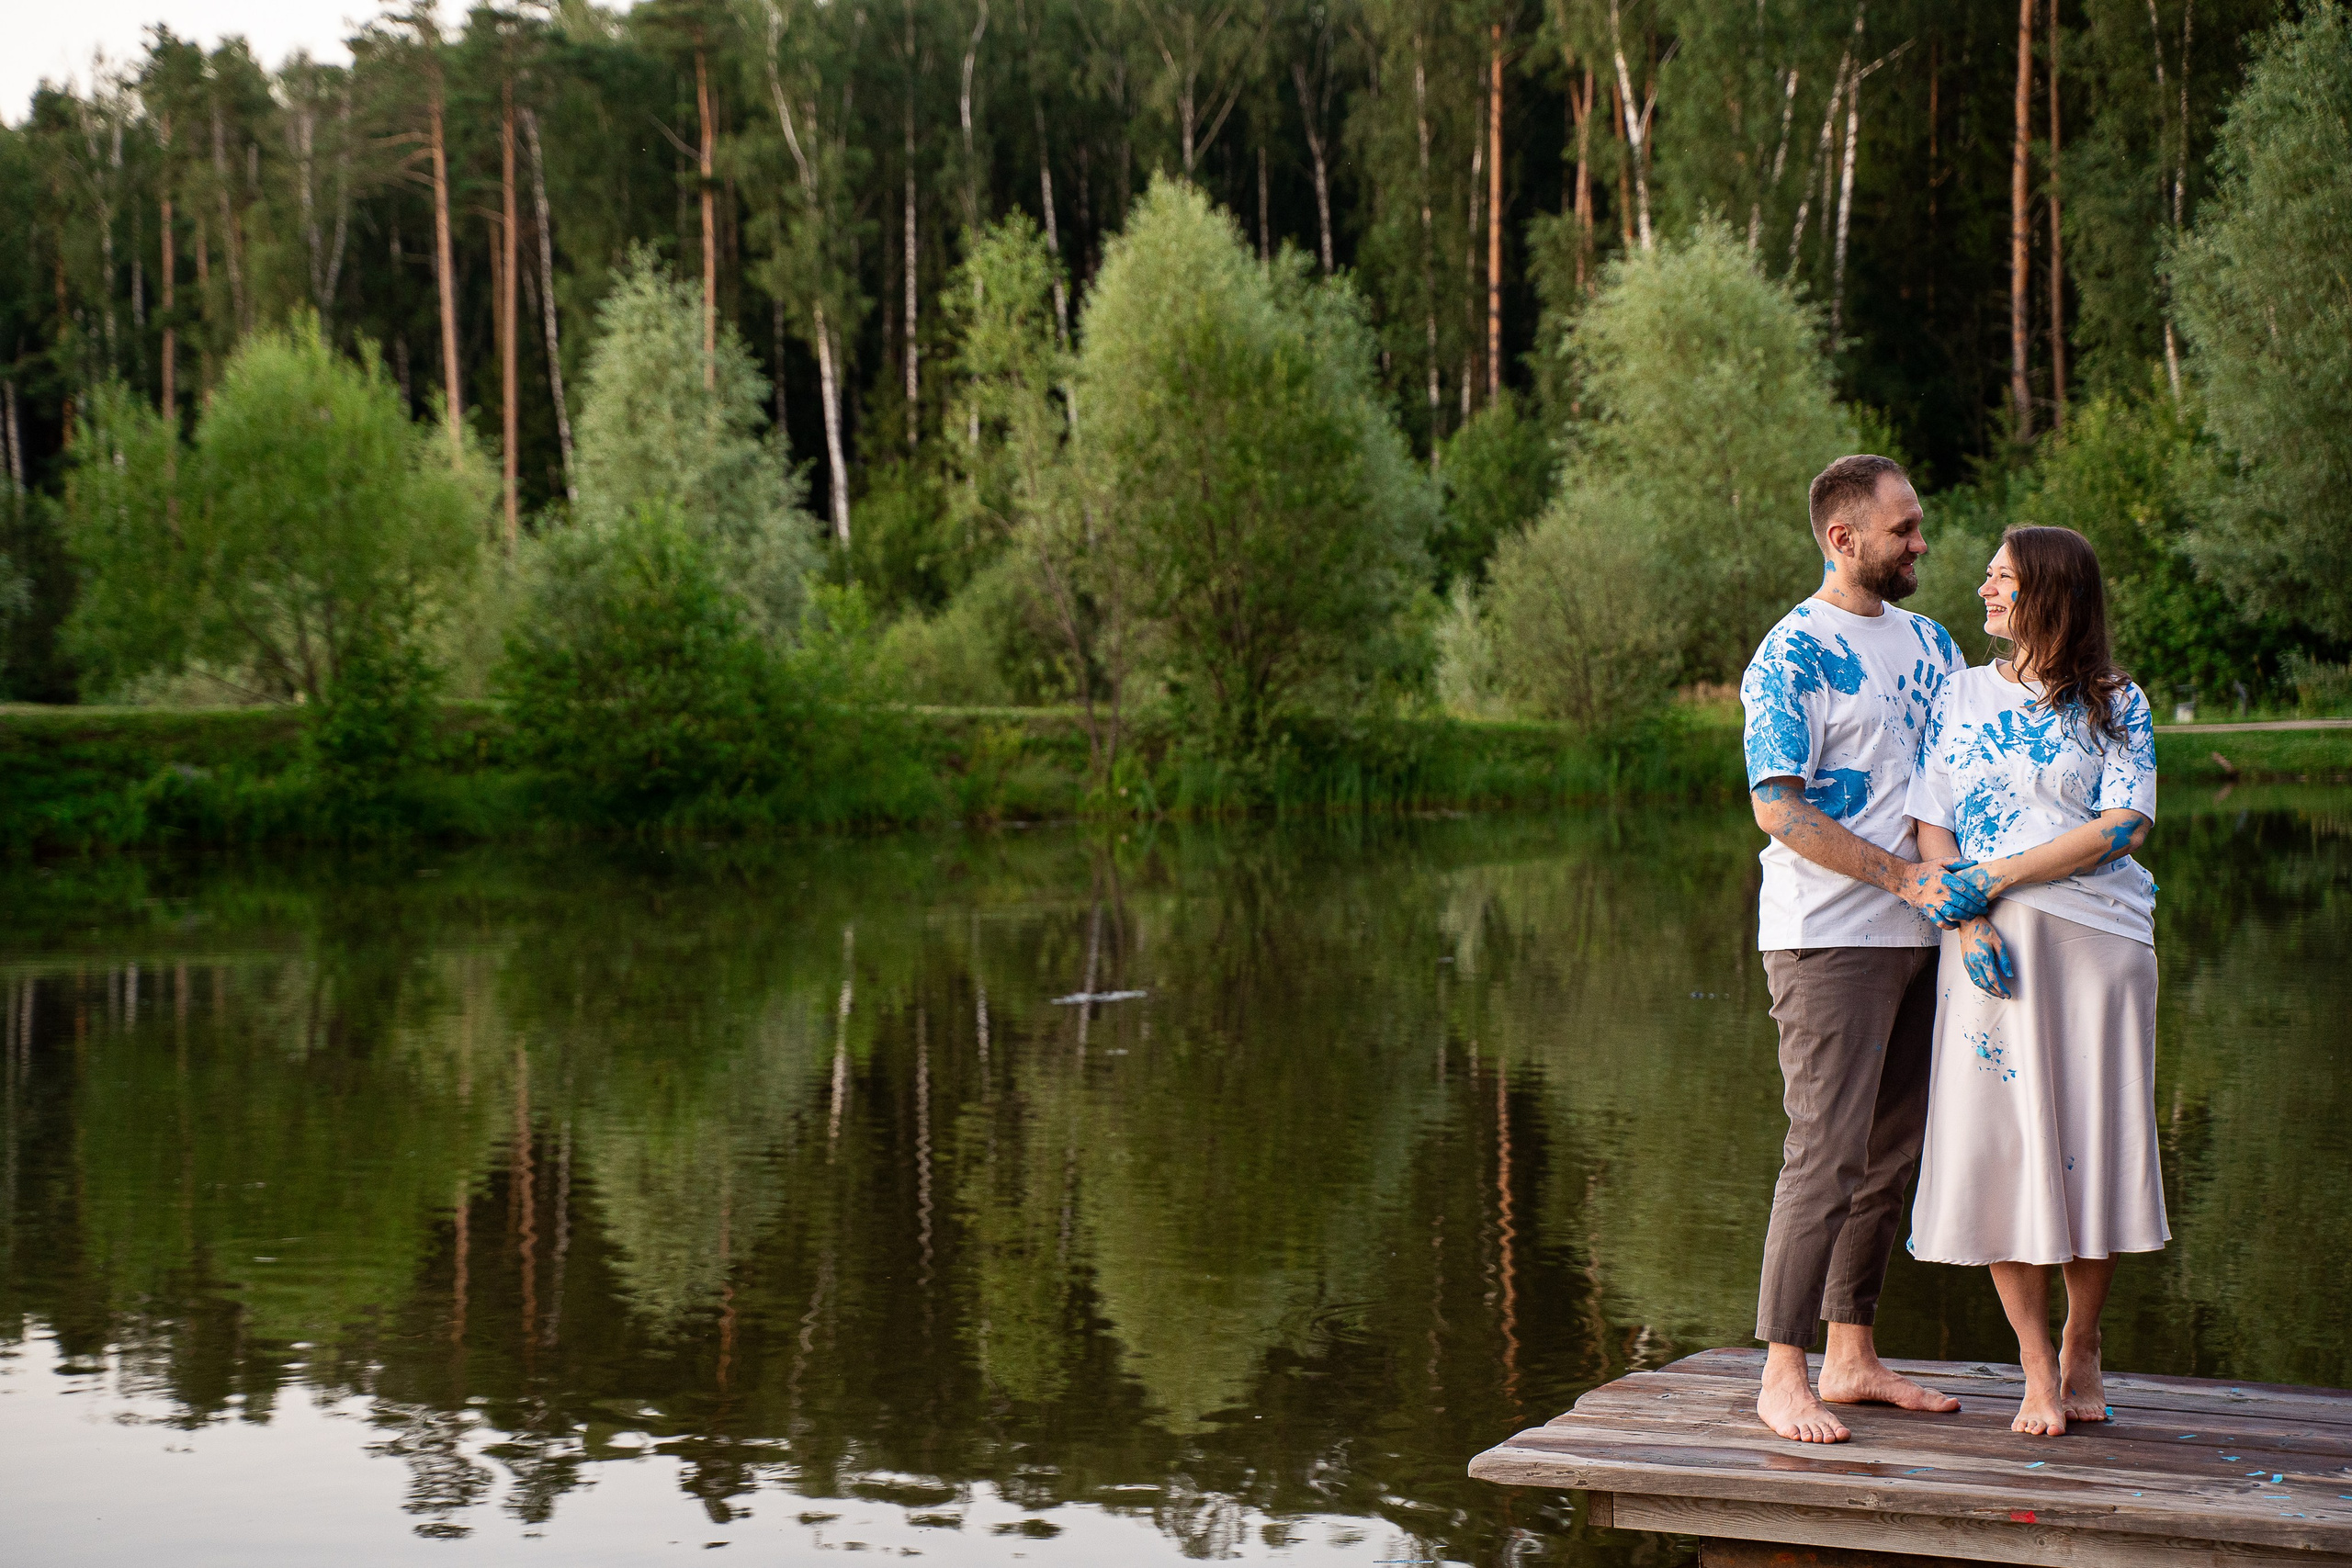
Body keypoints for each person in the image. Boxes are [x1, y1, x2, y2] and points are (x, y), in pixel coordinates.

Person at [1739, 455, 1984, 1445]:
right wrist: (1898, 879)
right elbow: (1777, 810)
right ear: (1843, 540)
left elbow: (1973, 767)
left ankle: (1849, 1356)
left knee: (1891, 1157)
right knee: (1825, 1155)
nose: (1920, 542)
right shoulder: (1789, 654)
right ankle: (1781, 1373)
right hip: (1828, 939)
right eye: (1903, 529)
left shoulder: (1931, 642)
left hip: (1926, 935)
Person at [1905, 525, 2166, 1438]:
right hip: (1991, 957)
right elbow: (1930, 824)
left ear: (2048, 595)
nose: (1983, 591)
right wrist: (1968, 917)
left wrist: (2000, 877)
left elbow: (2124, 824)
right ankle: (2032, 1367)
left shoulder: (2114, 701)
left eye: (2000, 579)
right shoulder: (1960, 695)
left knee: (2086, 1151)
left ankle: (2083, 1342)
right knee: (2002, 1152)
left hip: (2099, 948)